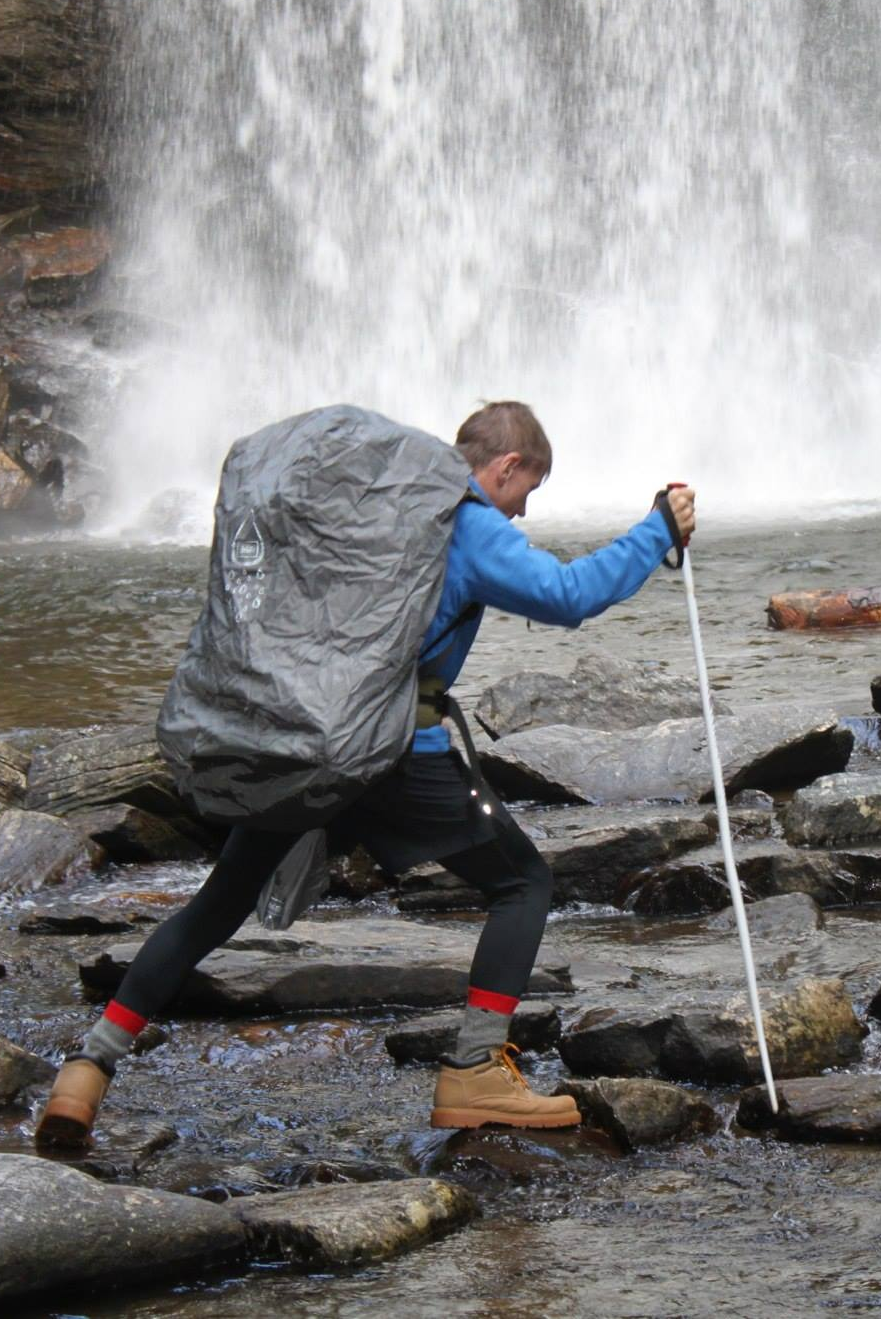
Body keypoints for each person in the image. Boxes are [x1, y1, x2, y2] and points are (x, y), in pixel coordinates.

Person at [37, 401, 695, 1146]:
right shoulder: (461, 523)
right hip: (390, 757)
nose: (518, 515)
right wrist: (658, 532)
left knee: (218, 904)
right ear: (505, 466)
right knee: (523, 882)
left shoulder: (371, 517)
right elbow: (568, 595)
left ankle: (87, 1070)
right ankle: (476, 1070)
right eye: (526, 493)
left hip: (305, 745)